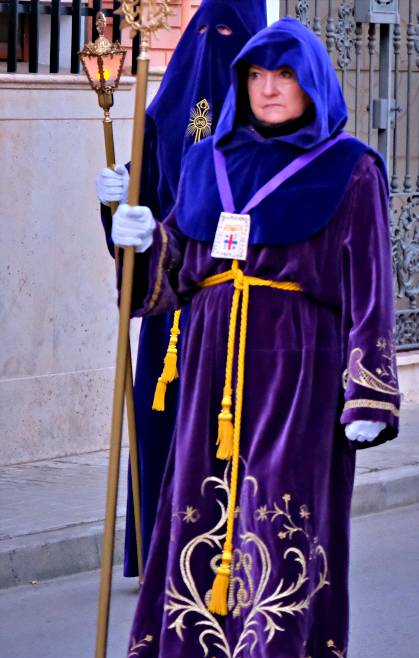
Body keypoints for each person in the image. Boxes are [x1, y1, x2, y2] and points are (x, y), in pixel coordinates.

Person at [106, 18, 400, 658]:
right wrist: (130, 229)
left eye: (283, 75)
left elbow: (370, 287)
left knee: (277, 529)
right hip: (210, 364)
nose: (268, 89)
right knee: (198, 521)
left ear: (312, 83)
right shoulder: (208, 161)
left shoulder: (352, 169)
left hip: (297, 364)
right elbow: (171, 275)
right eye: (255, 76)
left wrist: (367, 393)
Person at [96, 0, 267, 578]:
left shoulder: (272, 123)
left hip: (247, 314)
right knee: (163, 429)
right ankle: (157, 549)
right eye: (209, 32)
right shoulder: (164, 112)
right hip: (173, 312)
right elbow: (143, 221)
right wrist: (116, 204)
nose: (217, 47)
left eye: (232, 36)